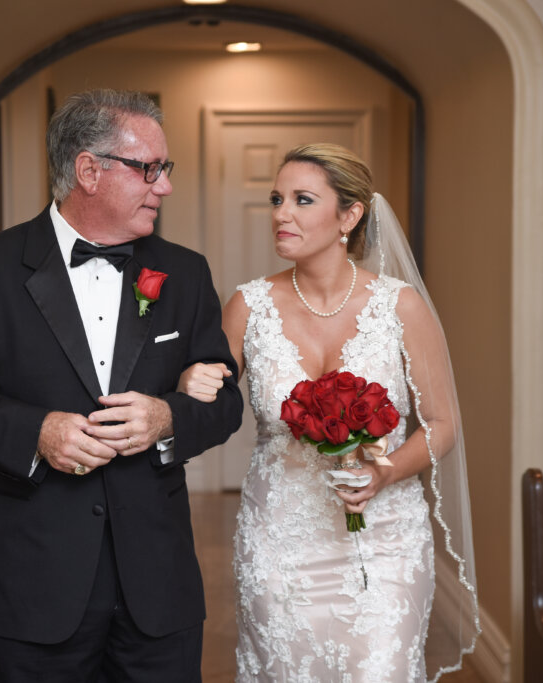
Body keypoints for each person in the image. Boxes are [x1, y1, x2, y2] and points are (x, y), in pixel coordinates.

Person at [0, 89, 243, 682]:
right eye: (150, 169)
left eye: (164, 169)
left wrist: (168, 419)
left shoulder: (186, 273)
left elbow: (225, 403)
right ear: (89, 170)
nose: (164, 186)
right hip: (37, 581)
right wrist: (37, 432)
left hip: (158, 583)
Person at [178, 143, 479, 681]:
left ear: (350, 214)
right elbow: (210, 408)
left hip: (384, 541)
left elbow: (442, 422)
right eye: (276, 198)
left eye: (301, 199)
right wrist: (187, 382)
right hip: (279, 540)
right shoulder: (248, 305)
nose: (281, 213)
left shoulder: (399, 305)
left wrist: (382, 472)